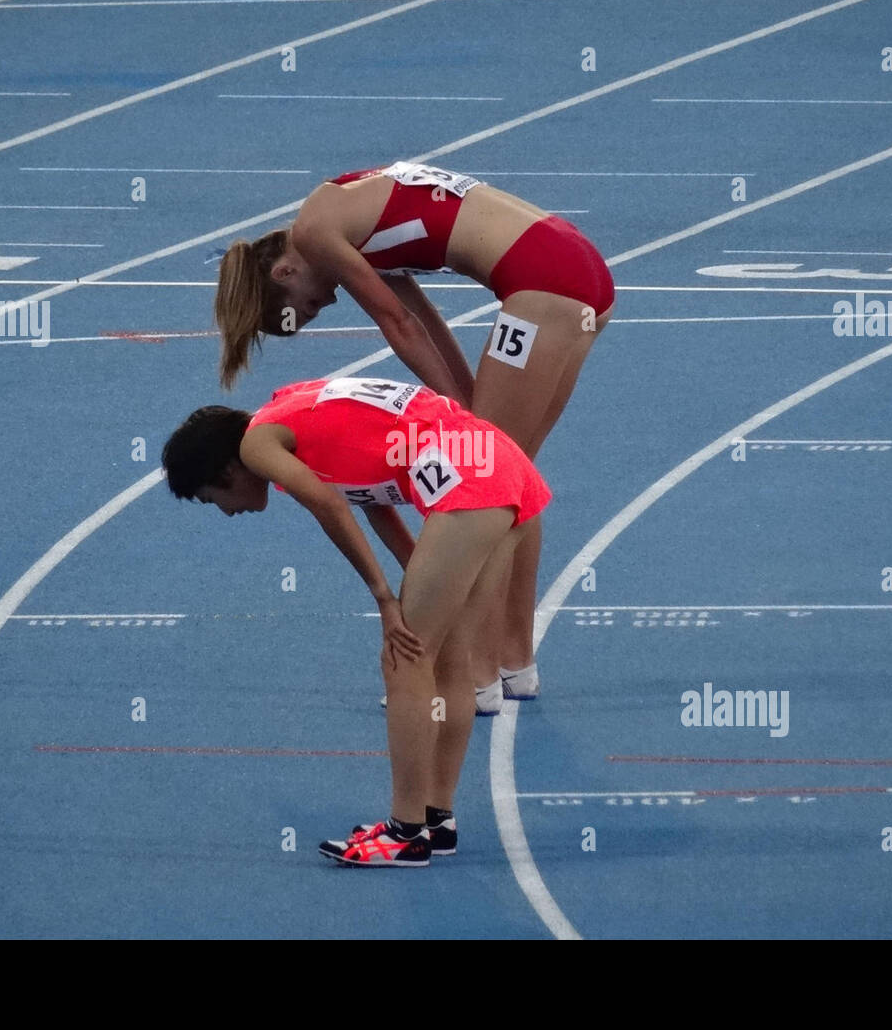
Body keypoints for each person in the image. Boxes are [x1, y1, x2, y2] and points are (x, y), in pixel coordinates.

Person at [211, 161, 614, 710]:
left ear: (284, 272)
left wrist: (460, 418)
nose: (325, 306)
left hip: (543, 283)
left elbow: (396, 326)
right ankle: (515, 662)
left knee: (482, 486)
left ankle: (475, 673)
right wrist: (464, 403)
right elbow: (422, 320)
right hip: (580, 269)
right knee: (511, 472)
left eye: (307, 308)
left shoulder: (314, 231)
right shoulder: (346, 215)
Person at [161, 375, 550, 866]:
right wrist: (421, 572)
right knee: (450, 654)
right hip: (501, 463)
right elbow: (372, 497)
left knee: (404, 657)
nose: (224, 512)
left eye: (210, 498)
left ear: (225, 470)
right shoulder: (290, 409)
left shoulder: (257, 445)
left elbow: (329, 504)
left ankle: (404, 833)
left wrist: (386, 599)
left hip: (466, 479)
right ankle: (436, 820)